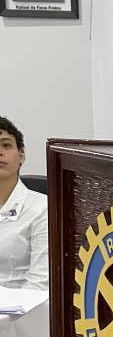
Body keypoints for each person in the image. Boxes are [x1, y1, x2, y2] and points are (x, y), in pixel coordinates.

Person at [0, 117, 48, 289]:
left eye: (6, 145)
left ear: (21, 156)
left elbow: (40, 284)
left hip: (19, 303)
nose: (0, 152)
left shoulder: (43, 208)